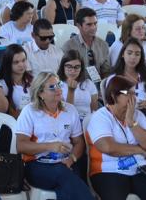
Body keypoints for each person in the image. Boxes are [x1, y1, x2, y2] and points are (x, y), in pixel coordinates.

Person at [86, 75, 146, 200]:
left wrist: (131, 123)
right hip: (109, 171)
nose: (134, 97)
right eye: (128, 93)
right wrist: (139, 150)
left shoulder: (137, 115)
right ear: (113, 95)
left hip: (139, 169)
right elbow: (109, 147)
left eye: (134, 93)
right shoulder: (100, 117)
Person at [16, 72, 93, 200]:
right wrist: (50, 146)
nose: (58, 89)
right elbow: (21, 145)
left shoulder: (70, 110)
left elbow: (79, 142)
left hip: (67, 162)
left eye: (58, 85)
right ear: (40, 94)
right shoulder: (29, 112)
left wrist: (71, 158)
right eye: (52, 87)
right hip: (38, 164)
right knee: (64, 175)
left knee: (66, 183)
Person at [62, 8, 111, 80]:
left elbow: (106, 71)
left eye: (95, 23)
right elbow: (65, 74)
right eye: (89, 24)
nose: (93, 27)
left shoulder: (103, 45)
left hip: (99, 85)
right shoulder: (69, 46)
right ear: (79, 26)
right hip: (77, 86)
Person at [58, 50, 98, 120]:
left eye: (77, 67)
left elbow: (94, 110)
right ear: (63, 67)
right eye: (69, 66)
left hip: (87, 121)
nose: (73, 71)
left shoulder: (88, 83)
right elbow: (67, 113)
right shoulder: (58, 84)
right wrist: (71, 91)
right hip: (68, 122)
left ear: (81, 68)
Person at [0, 44, 34, 118]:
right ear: (8, 64)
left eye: (23, 60)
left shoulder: (32, 80)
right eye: (16, 62)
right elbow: (8, 113)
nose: (21, 65)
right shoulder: (2, 83)